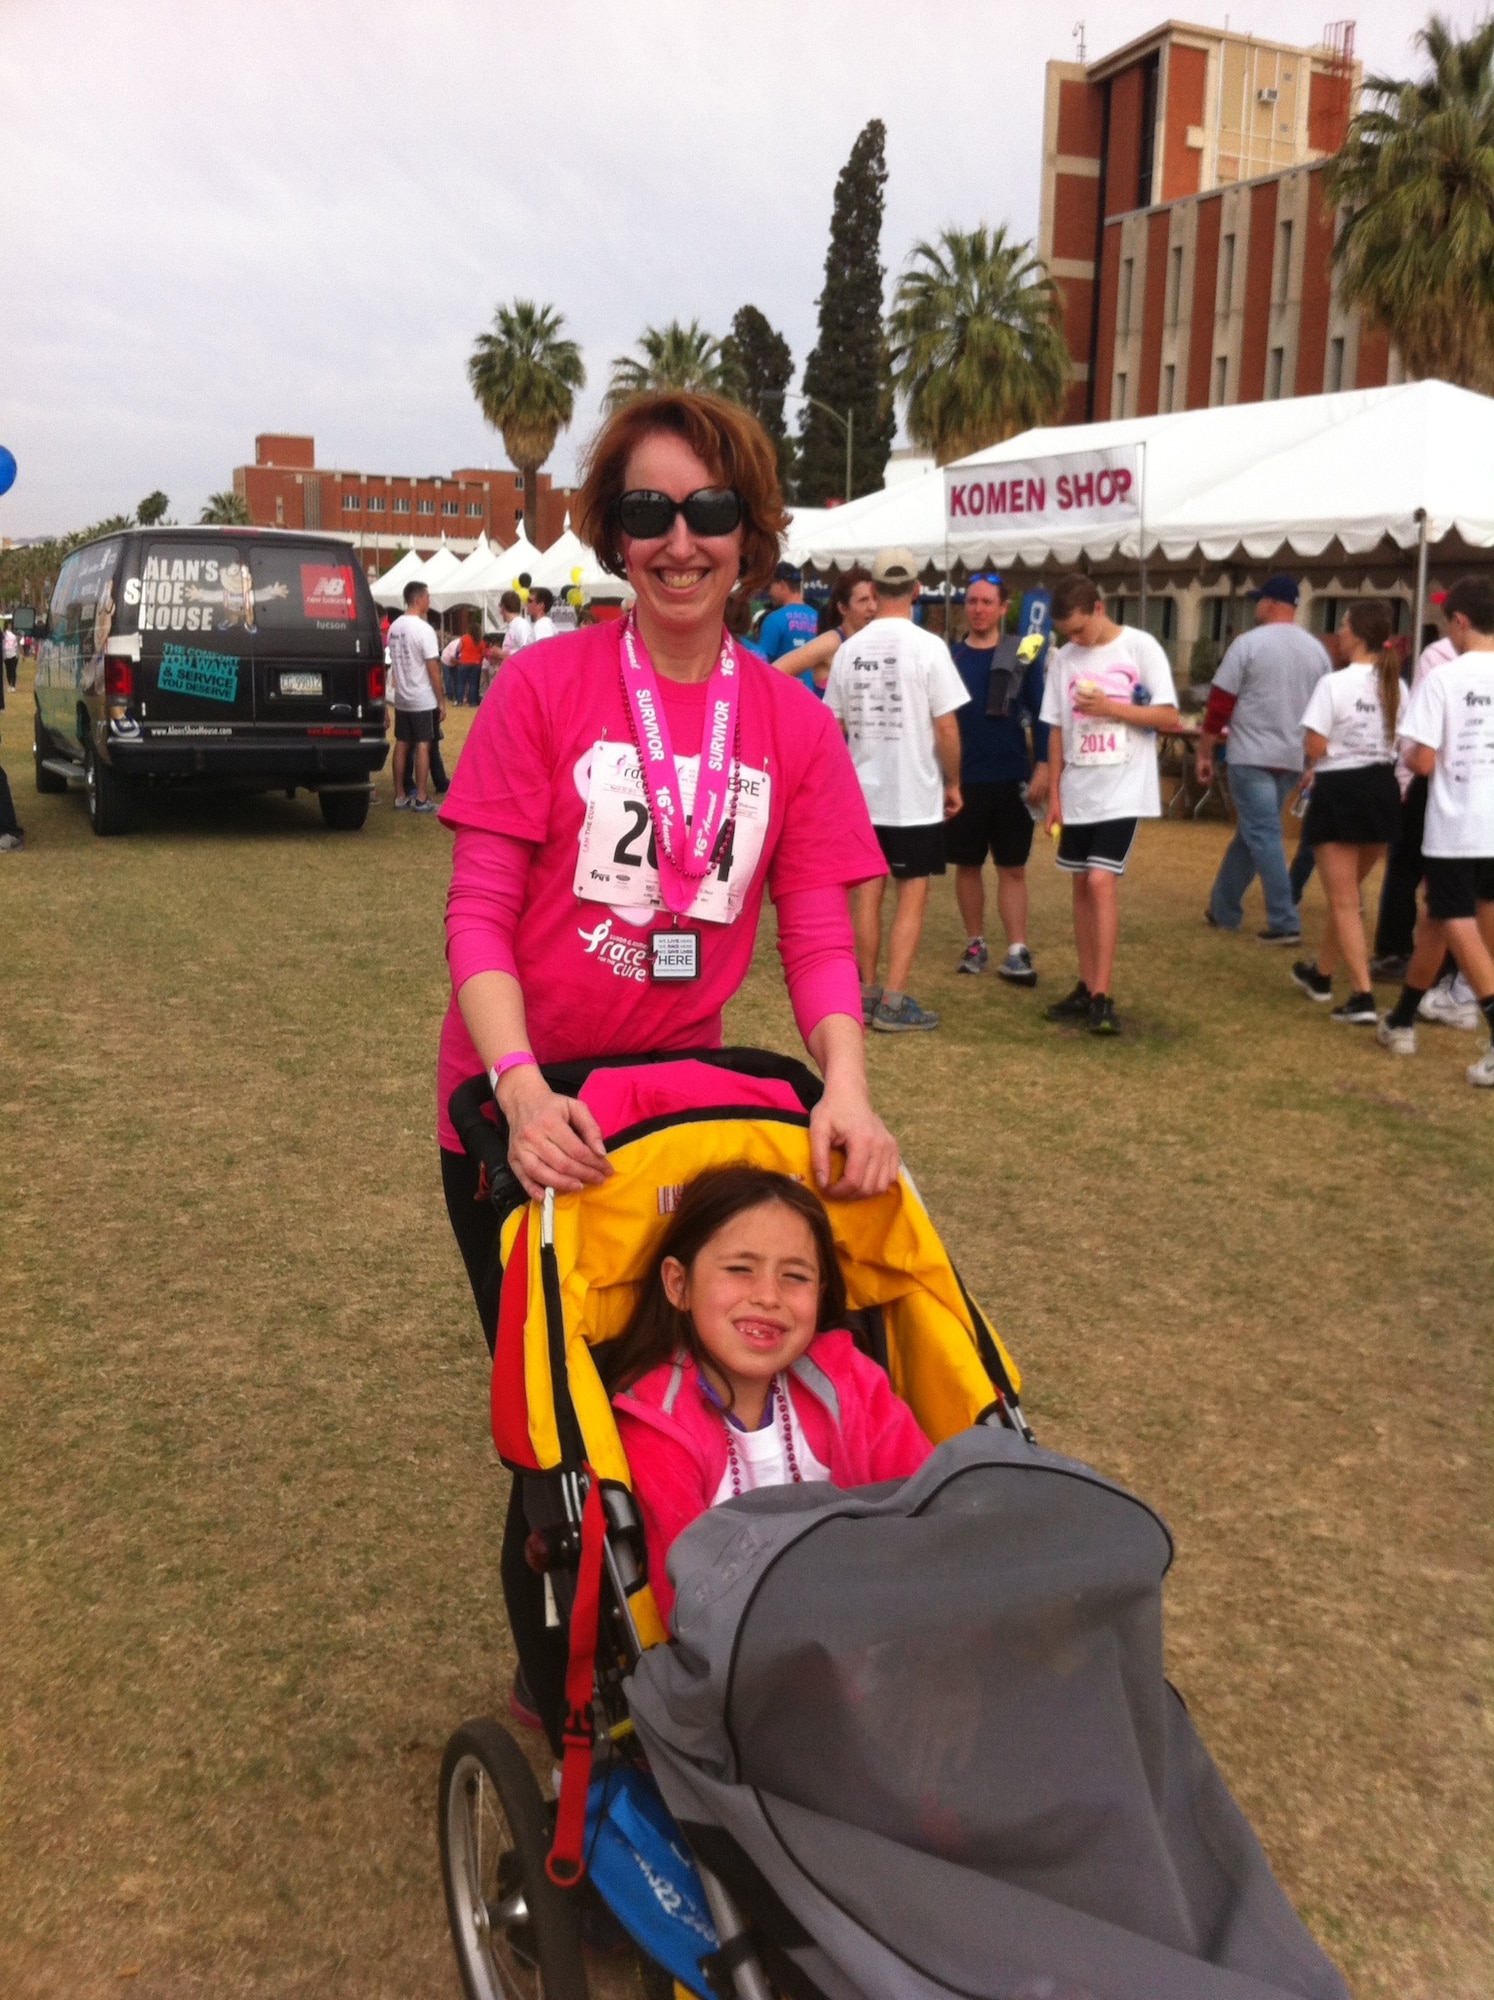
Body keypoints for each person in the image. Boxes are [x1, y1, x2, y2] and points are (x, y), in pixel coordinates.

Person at [437, 390, 898, 1736]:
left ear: (752, 534)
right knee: (564, 1420)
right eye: (647, 512)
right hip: (517, 1103)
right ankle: (560, 1689)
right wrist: (520, 1094)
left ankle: (701, 1651)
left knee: (686, 1388)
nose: (678, 543)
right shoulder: (542, 686)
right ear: (611, 532)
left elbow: (815, 923)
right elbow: (477, 913)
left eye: (708, 513)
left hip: (680, 1115)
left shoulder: (787, 725)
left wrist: (848, 1084)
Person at [604, 1165, 933, 1622]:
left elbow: (926, 1504)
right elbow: (685, 1597)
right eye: (741, 1269)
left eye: (795, 1277)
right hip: (742, 1657)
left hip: (878, 1620)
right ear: (679, 1285)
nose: (768, 1296)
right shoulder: (657, 1421)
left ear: (820, 1292)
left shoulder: (849, 1380)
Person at [823, 547, 969, 1034]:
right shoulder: (929, 647)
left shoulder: (849, 649)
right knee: (912, 893)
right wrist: (953, 782)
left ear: (875, 589)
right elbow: (946, 727)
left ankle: (864, 992)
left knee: (867, 895)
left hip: (863, 795)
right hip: (914, 794)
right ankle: (894, 999)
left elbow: (831, 729)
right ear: (916, 589)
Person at [1040, 575, 1179, 1035]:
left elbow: (1168, 716)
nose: (1075, 641)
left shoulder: (1141, 648)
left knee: (1101, 881)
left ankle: (1102, 993)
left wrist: (1112, 708)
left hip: (1124, 787)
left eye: (1080, 630)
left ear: (1098, 610)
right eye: (1067, 634)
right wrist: (1055, 796)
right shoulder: (1064, 659)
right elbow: (1056, 728)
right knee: (1081, 884)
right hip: (1080, 789)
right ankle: (1085, 986)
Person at [1378, 574, 1494, 1086]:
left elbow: (1421, 761)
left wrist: (1409, 749)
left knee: (1453, 916)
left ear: (1461, 622)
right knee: (1440, 920)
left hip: (1457, 820)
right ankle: (1402, 1018)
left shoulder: (1446, 678)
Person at [1287, 601, 1405, 1024]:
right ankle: (1322, 975)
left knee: (1343, 900)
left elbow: (1313, 747)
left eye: (1343, 624)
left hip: (1340, 789)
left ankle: (1362, 996)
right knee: (1349, 896)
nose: (1338, 630)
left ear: (1356, 634)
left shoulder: (1334, 684)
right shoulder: (1397, 685)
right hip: (1382, 788)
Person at [1198, 575, 1330, 945]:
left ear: (1271, 603)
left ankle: (1284, 920)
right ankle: (1223, 908)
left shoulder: (1247, 644)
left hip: (1252, 753)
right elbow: (1326, 711)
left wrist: (1205, 751)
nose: (1255, 605)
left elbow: (1220, 704)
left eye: (1259, 600)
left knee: (1263, 834)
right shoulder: (1317, 650)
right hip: (1292, 756)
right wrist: (1313, 764)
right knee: (1254, 833)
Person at [945, 573, 1050, 986]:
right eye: (972, 601)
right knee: (967, 865)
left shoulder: (1023, 655)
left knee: (1012, 868)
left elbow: (1043, 713)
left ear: (1004, 608)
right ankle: (976, 942)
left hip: (1011, 777)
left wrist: (1043, 763)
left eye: (987, 602)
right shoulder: (952, 658)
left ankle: (1017, 949)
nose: (978, 609)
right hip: (965, 779)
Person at [387, 579, 446, 813]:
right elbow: (433, 668)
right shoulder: (424, 629)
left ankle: (400, 795)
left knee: (402, 743)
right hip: (421, 696)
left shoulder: (394, 627)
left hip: (402, 696)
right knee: (423, 744)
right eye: (427, 597)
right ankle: (421, 797)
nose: (429, 601)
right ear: (418, 599)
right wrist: (441, 700)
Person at [783, 566, 877, 697]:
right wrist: (799, 702)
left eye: (875, 599)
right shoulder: (831, 643)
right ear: (843, 608)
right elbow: (775, 670)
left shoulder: (875, 642)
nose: (872, 607)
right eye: (863, 600)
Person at [757, 562, 819, 665]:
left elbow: (762, 663)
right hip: (812, 681)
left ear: (782, 585)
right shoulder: (818, 617)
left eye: (770, 586)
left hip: (782, 680)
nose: (769, 592)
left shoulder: (774, 620)